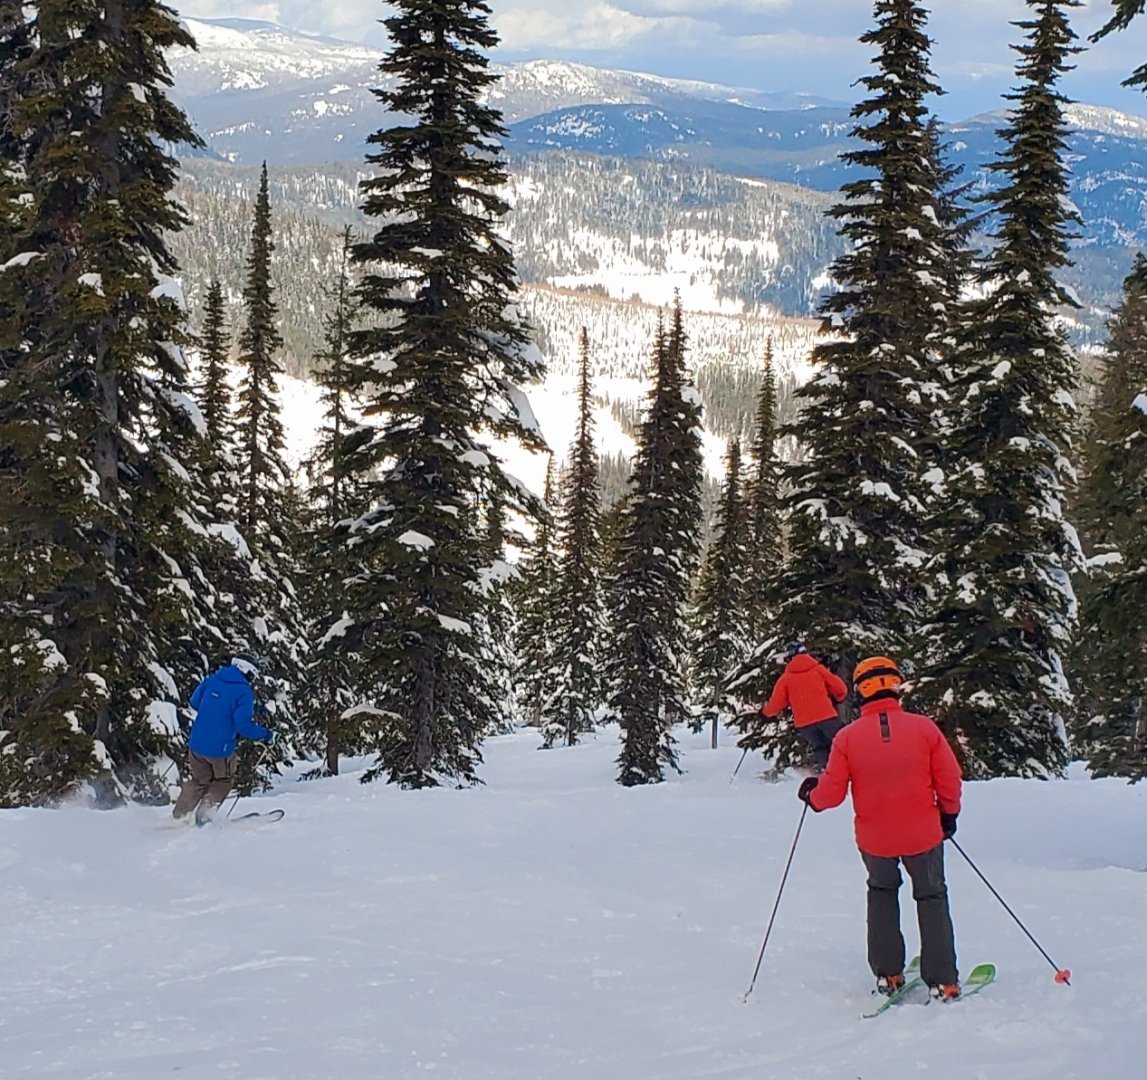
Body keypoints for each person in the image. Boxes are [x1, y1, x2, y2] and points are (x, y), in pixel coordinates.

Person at [797, 655, 963, 999]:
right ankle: (944, 980)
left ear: (860, 692)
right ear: (896, 687)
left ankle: (889, 974)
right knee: (931, 896)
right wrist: (949, 814)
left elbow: (832, 793)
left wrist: (812, 797)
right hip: (924, 833)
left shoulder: (847, 738)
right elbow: (949, 778)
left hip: (875, 839)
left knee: (882, 894)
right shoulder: (924, 728)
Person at [172, 653, 274, 826]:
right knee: (223, 780)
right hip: (220, 749)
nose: (252, 680)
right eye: (251, 675)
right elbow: (243, 725)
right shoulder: (244, 692)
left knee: (199, 780)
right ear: (245, 670)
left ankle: (179, 816)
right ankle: (204, 816)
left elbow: (195, 702)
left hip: (196, 744)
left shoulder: (212, 679)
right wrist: (266, 735)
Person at [760, 642, 848, 771]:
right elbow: (840, 688)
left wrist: (765, 713)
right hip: (827, 717)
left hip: (805, 724)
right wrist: (839, 698)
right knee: (842, 743)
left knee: (821, 747)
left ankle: (829, 773)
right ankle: (851, 770)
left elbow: (776, 704)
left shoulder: (786, 679)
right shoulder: (818, 669)